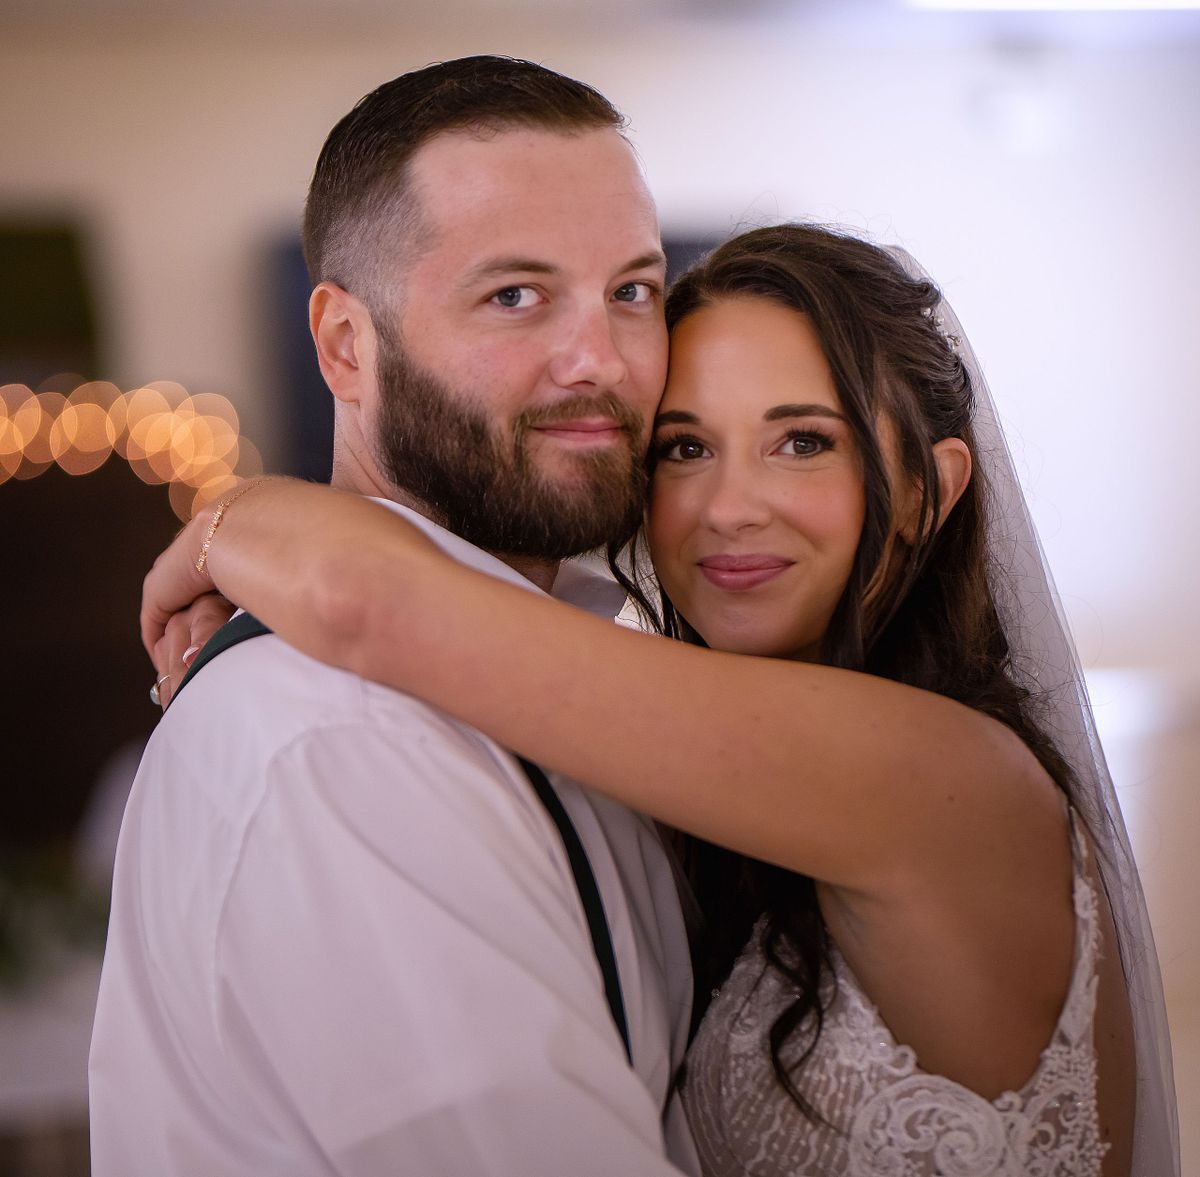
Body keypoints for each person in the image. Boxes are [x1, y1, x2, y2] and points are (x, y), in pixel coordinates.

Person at [142, 225, 1179, 1175]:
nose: (729, 508)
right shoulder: (730, 794)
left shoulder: (941, 774)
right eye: (685, 447)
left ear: (929, 486)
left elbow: (369, 602)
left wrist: (224, 520)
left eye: (803, 440)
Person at [89, 57, 701, 1177]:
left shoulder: (580, 662)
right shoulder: (338, 738)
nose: (601, 361)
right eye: (515, 294)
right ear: (342, 346)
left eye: (632, 291)